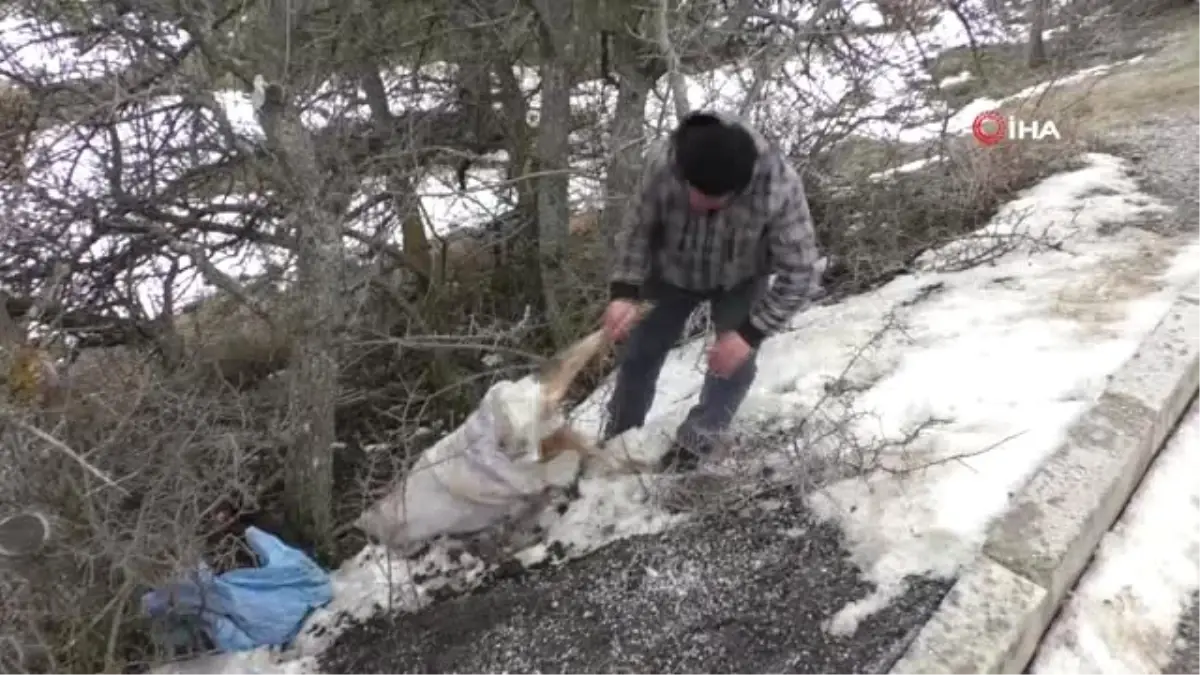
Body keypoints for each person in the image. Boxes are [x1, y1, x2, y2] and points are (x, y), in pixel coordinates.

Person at [601, 111, 823, 472]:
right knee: (638, 357)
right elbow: (637, 231)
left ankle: (695, 445)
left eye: (713, 200)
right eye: (694, 192)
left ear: (740, 189)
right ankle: (617, 442)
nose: (699, 204)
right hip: (669, 273)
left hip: (741, 277)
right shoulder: (663, 163)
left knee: (733, 365)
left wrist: (748, 335)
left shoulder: (778, 184)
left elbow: (802, 273)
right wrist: (623, 292)